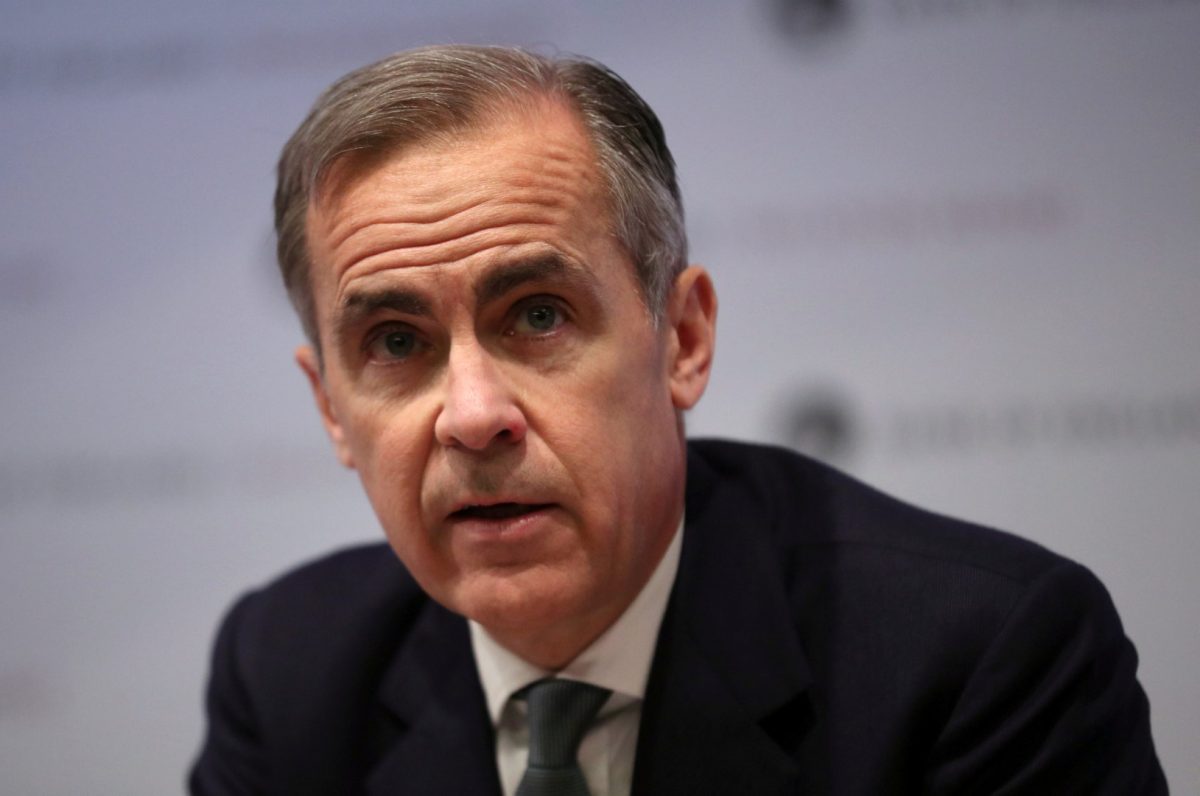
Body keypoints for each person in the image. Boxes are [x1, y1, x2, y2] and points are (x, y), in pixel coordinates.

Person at [190, 45, 1166, 795]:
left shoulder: (981, 661)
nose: (474, 416)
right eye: (397, 343)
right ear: (331, 407)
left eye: (538, 315)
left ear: (683, 339)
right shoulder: (288, 675)